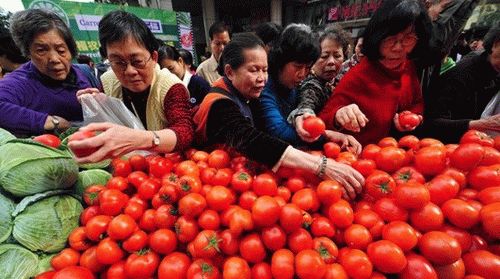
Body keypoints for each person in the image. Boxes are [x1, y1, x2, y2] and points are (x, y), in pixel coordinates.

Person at [193, 33, 364, 199]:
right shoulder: (220, 103)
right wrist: (321, 165)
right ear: (230, 72)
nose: (262, 78)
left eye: (265, 70)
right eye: (254, 70)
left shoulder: (244, 93)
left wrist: (326, 134)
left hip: (237, 180)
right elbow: (252, 140)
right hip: (213, 189)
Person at [70, 10, 193, 163]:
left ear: (153, 57)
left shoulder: (170, 87)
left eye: (137, 61)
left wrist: (138, 139)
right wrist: (98, 103)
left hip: (166, 168)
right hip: (127, 168)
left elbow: (184, 133)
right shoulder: (109, 81)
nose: (129, 71)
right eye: (118, 62)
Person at [319, 0, 431, 146]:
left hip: (395, 155)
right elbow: (323, 121)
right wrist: (338, 116)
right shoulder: (358, 77)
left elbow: (417, 102)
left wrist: (414, 117)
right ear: (378, 37)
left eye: (408, 39)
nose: (398, 47)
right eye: (390, 39)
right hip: (360, 159)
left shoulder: (408, 67)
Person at [0, 9, 96, 137]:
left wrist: (99, 102)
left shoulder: (83, 73)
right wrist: (50, 121)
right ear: (28, 53)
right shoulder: (20, 81)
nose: (54, 59)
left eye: (61, 50)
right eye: (41, 51)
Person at [423, 25, 500, 143]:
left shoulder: (493, 69)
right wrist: (479, 124)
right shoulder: (463, 73)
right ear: (496, 44)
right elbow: (432, 122)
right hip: (443, 146)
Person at [290, 25, 360, 151]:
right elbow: (306, 105)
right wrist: (305, 115)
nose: (331, 61)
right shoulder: (311, 85)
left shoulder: (332, 82)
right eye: (324, 56)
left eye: (337, 56)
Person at [256, 24, 320, 146]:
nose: (302, 74)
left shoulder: (297, 86)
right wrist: (325, 135)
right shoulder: (263, 86)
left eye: (307, 67)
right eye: (298, 66)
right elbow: (280, 132)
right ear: (281, 60)